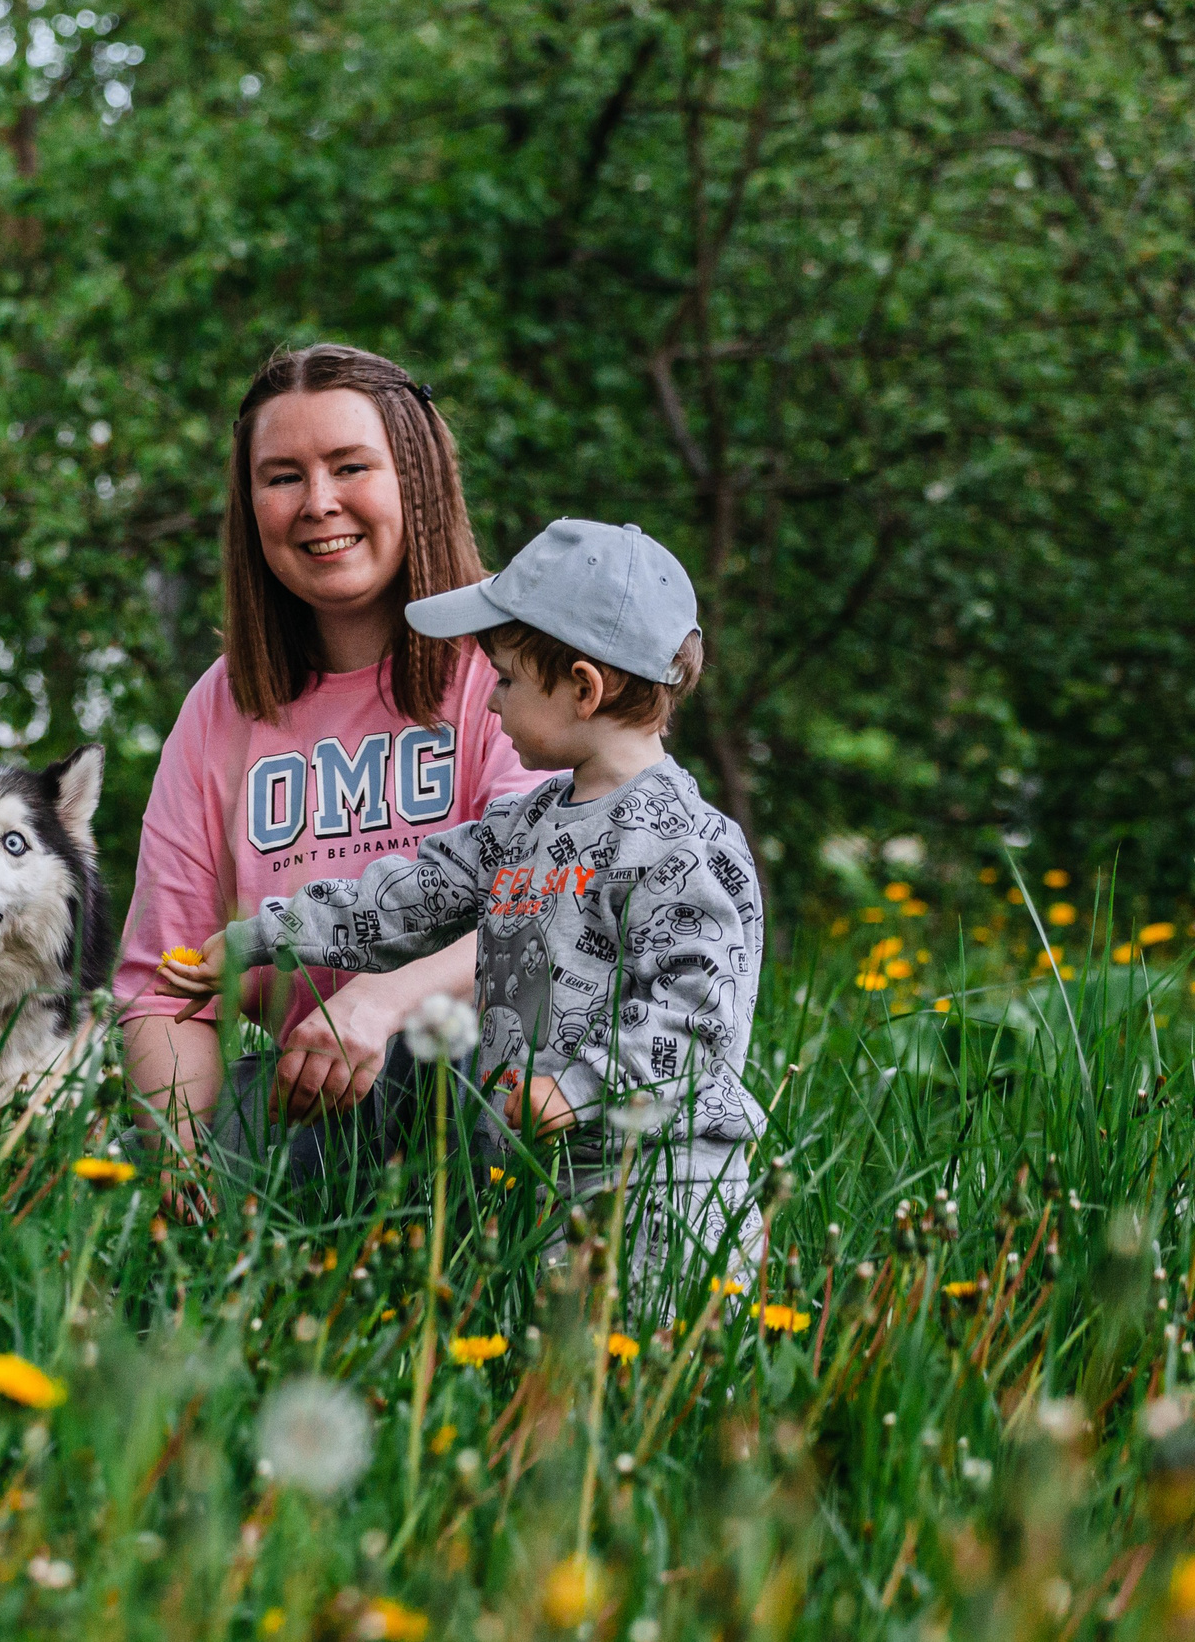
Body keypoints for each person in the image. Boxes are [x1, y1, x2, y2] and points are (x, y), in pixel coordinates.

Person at [156, 518, 768, 1280]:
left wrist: (576, 1093)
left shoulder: (685, 845)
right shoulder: (528, 824)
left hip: (658, 1192)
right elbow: (407, 895)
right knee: (540, 1369)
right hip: (533, 1180)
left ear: (584, 687)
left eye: (507, 680)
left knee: (643, 1373)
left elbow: (697, 1017)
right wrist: (269, 933)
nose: (491, 704)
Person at [113, 345, 546, 1188]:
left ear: (414, 478)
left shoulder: (509, 661)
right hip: (316, 1111)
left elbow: (551, 901)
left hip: (506, 1090)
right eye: (281, 477)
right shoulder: (221, 708)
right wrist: (185, 1161)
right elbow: (163, 992)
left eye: (350, 466)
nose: (318, 503)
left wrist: (383, 1001)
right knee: (115, 1184)